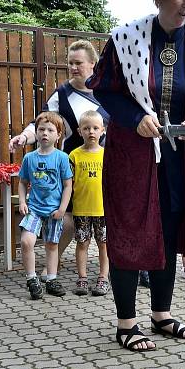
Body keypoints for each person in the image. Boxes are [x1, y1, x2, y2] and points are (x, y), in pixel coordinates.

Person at [87, 0, 185, 352]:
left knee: (168, 227)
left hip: (178, 154)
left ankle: (162, 314)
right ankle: (125, 323)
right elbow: (105, 90)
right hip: (132, 152)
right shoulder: (126, 38)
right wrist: (136, 118)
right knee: (131, 228)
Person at [9, 40, 109, 271]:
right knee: (67, 220)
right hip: (72, 168)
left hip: (104, 168)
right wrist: (24, 137)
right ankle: (51, 267)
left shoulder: (108, 91)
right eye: (70, 63)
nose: (73, 68)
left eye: (79, 63)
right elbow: (41, 122)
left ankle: (115, 269)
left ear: (92, 64)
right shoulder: (62, 93)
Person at [17, 111, 73, 299]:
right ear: (36, 132)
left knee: (51, 245)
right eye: (41, 129)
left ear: (58, 135)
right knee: (27, 242)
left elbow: (67, 185)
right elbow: (23, 182)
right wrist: (22, 201)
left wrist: (63, 208)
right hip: (34, 209)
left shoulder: (62, 158)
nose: (45, 133)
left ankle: (51, 279)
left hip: (54, 211)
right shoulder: (29, 158)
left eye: (50, 130)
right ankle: (32, 279)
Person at [68, 111, 110, 297]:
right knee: (82, 243)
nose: (91, 132)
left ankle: (103, 278)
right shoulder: (74, 156)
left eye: (95, 128)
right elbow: (69, 184)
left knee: (104, 244)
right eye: (86, 128)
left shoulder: (107, 155)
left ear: (103, 130)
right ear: (79, 131)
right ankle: (82, 278)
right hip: (81, 209)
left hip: (103, 210)